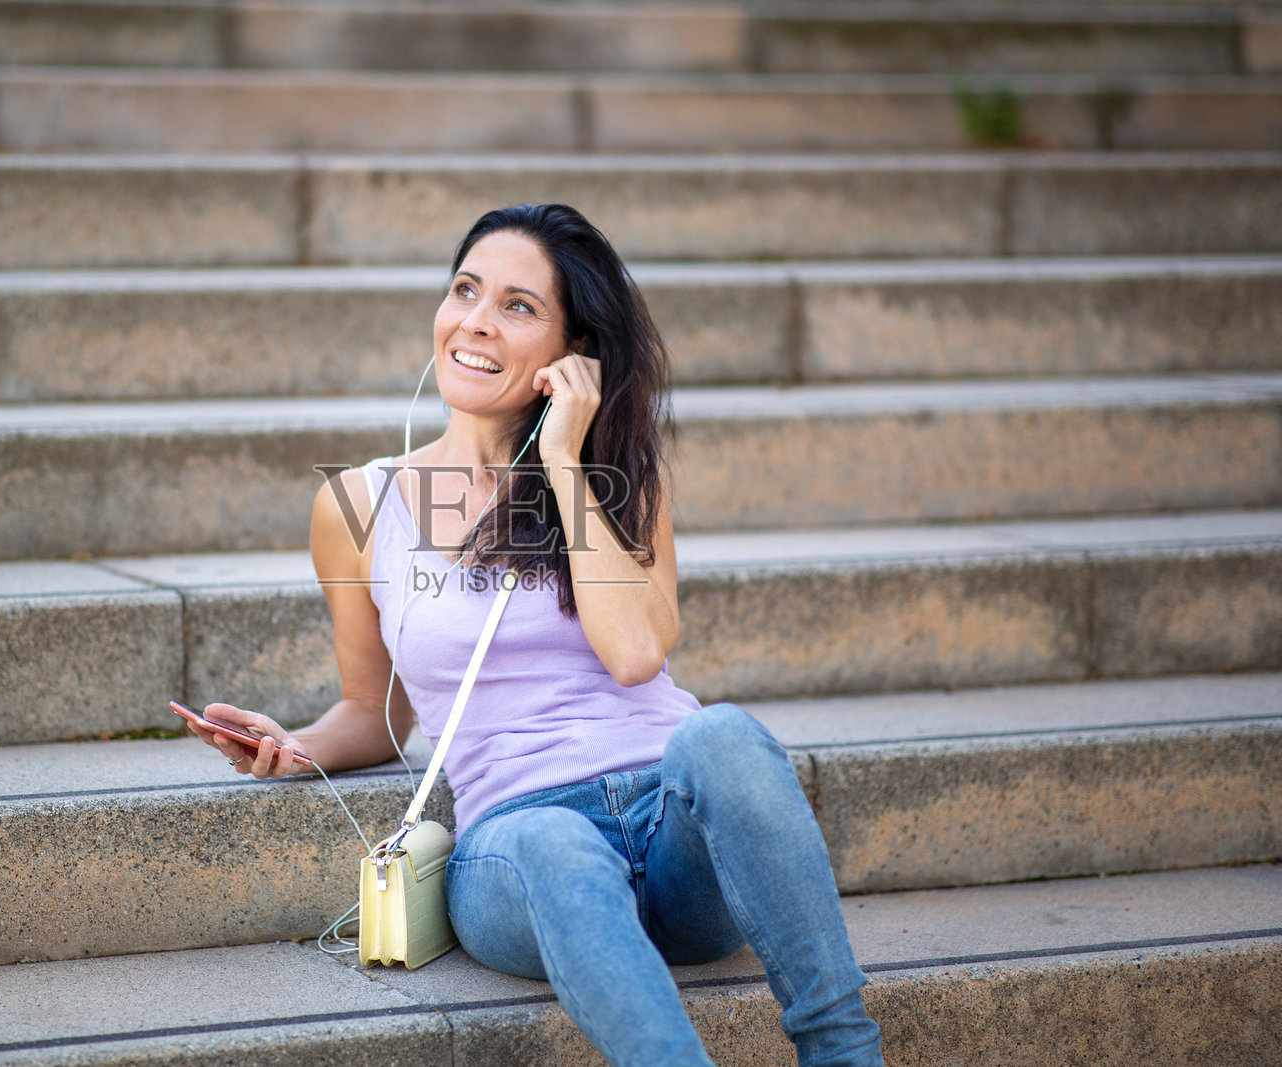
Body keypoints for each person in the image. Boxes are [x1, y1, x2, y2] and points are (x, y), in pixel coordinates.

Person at [185, 203, 885, 1067]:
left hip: (672, 837)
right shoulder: (359, 505)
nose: (475, 320)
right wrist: (296, 746)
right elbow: (376, 709)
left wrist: (563, 461)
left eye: (518, 306)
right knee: (556, 838)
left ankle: (846, 1052)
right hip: (519, 848)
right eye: (465, 290)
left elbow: (635, 656)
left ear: (573, 352)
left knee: (724, 735)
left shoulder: (620, 480)